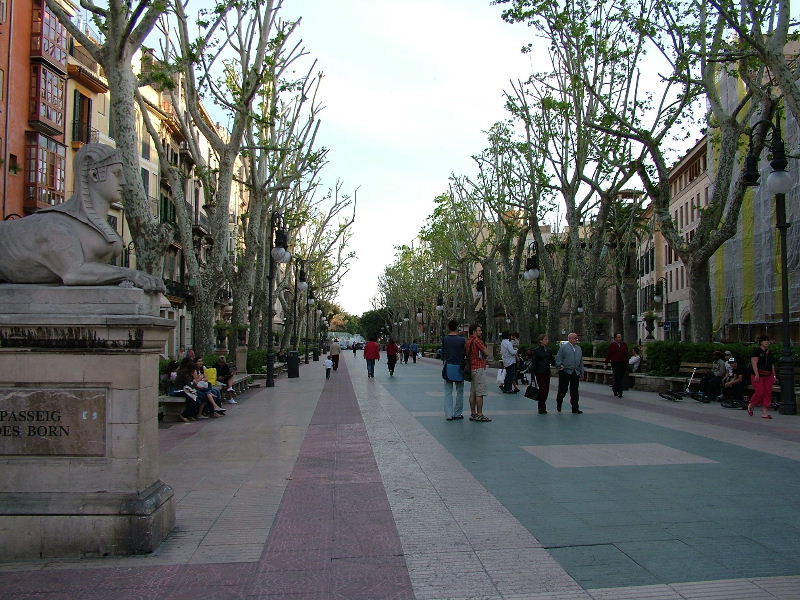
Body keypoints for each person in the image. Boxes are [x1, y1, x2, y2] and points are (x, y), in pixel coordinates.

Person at [442, 319, 466, 421]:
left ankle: (448, 414)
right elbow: (465, 352)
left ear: (448, 327)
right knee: (460, 392)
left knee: (448, 392)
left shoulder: (445, 339)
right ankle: (457, 413)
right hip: (459, 367)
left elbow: (444, 353)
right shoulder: (462, 340)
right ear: (457, 327)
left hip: (448, 367)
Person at [466, 323, 491, 422]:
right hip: (479, 368)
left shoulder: (469, 341)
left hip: (472, 368)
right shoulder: (477, 340)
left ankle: (473, 413)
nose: (481, 332)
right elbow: (487, 352)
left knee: (473, 392)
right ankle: (480, 414)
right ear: (474, 332)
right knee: (480, 393)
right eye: (479, 330)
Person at [554, 332, 584, 414]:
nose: (576, 339)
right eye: (574, 338)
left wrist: (582, 372)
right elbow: (558, 358)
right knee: (563, 389)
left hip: (575, 371)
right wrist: (560, 365)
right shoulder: (563, 347)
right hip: (565, 371)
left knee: (574, 390)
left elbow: (581, 361)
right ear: (570, 339)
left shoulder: (579, 348)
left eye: (576, 338)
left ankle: (575, 408)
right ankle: (559, 402)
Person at [749, 335, 777, 418]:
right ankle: (752, 405)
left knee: (768, 392)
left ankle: (765, 412)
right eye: (765, 340)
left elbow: (772, 365)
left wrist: (774, 375)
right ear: (761, 342)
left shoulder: (770, 352)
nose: (767, 342)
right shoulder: (756, 351)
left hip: (768, 375)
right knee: (760, 392)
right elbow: (754, 363)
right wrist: (756, 373)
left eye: (768, 341)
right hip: (758, 375)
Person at [532, 333, 554, 414]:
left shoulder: (549, 350)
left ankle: (543, 404)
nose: (547, 341)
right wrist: (533, 375)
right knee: (543, 389)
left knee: (546, 389)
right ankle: (541, 406)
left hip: (547, 372)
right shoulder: (536, 350)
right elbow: (534, 362)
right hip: (539, 372)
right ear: (541, 341)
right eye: (545, 339)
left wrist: (559, 365)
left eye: (547, 339)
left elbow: (552, 360)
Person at [604, 332, 629, 398]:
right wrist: (606, 363)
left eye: (620, 337)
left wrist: (627, 362)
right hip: (615, 363)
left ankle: (615, 388)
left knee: (621, 377)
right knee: (617, 377)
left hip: (623, 363)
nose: (620, 338)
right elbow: (609, 355)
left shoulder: (624, 345)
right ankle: (619, 392)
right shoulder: (612, 345)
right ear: (615, 338)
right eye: (618, 337)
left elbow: (626, 354)